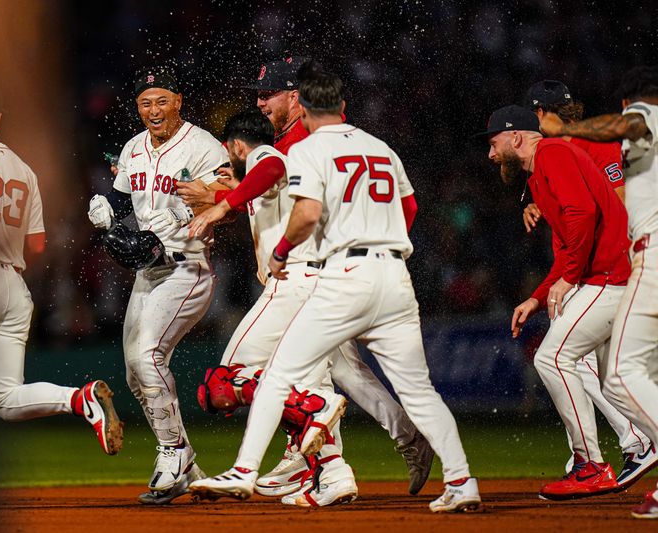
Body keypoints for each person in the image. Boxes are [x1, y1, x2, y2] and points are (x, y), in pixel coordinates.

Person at [190, 67, 480, 514]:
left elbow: (302, 210)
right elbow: (410, 206)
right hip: (394, 275)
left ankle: (248, 469)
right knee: (404, 388)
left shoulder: (304, 148)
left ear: (302, 107)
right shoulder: (380, 146)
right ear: (343, 105)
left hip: (334, 274)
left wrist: (280, 248)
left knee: (276, 378)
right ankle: (454, 479)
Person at [0, 80, 124, 452]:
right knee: (4, 397)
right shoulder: (24, 170)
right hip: (12, 287)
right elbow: (36, 245)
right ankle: (79, 399)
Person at [86, 69, 229, 504]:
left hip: (188, 267)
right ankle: (185, 460)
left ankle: (173, 452)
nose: (153, 110)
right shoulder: (133, 147)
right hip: (149, 272)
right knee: (134, 371)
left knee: (149, 356)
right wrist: (104, 209)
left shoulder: (203, 143)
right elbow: (120, 196)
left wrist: (187, 215)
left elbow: (228, 187)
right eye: (146, 103)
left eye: (161, 101)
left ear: (179, 101)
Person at [482, 104, 630, 500]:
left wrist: (567, 278)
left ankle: (590, 466)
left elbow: (583, 212)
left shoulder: (553, 153)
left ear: (516, 137)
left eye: (494, 143)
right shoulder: (540, 177)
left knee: (553, 358)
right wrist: (537, 296)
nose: (491, 154)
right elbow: (566, 251)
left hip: (613, 277)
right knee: (616, 377)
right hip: (608, 278)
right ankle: (635, 444)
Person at [539, 65, 658, 520]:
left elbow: (616, 187)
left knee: (614, 370)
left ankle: (627, 446)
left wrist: (564, 129)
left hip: (636, 260)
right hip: (632, 260)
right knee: (617, 371)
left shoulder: (632, 123)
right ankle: (633, 444)